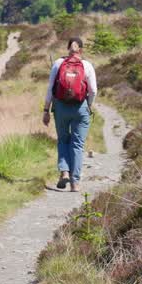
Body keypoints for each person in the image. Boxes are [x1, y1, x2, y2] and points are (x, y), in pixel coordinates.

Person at [42, 37, 97, 193]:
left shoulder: (58, 64)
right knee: (78, 144)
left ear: (68, 49)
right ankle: (75, 183)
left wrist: (46, 110)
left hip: (60, 108)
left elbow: (50, 89)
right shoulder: (87, 66)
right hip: (81, 108)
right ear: (81, 49)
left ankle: (64, 172)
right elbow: (93, 90)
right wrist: (89, 105)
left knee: (63, 140)